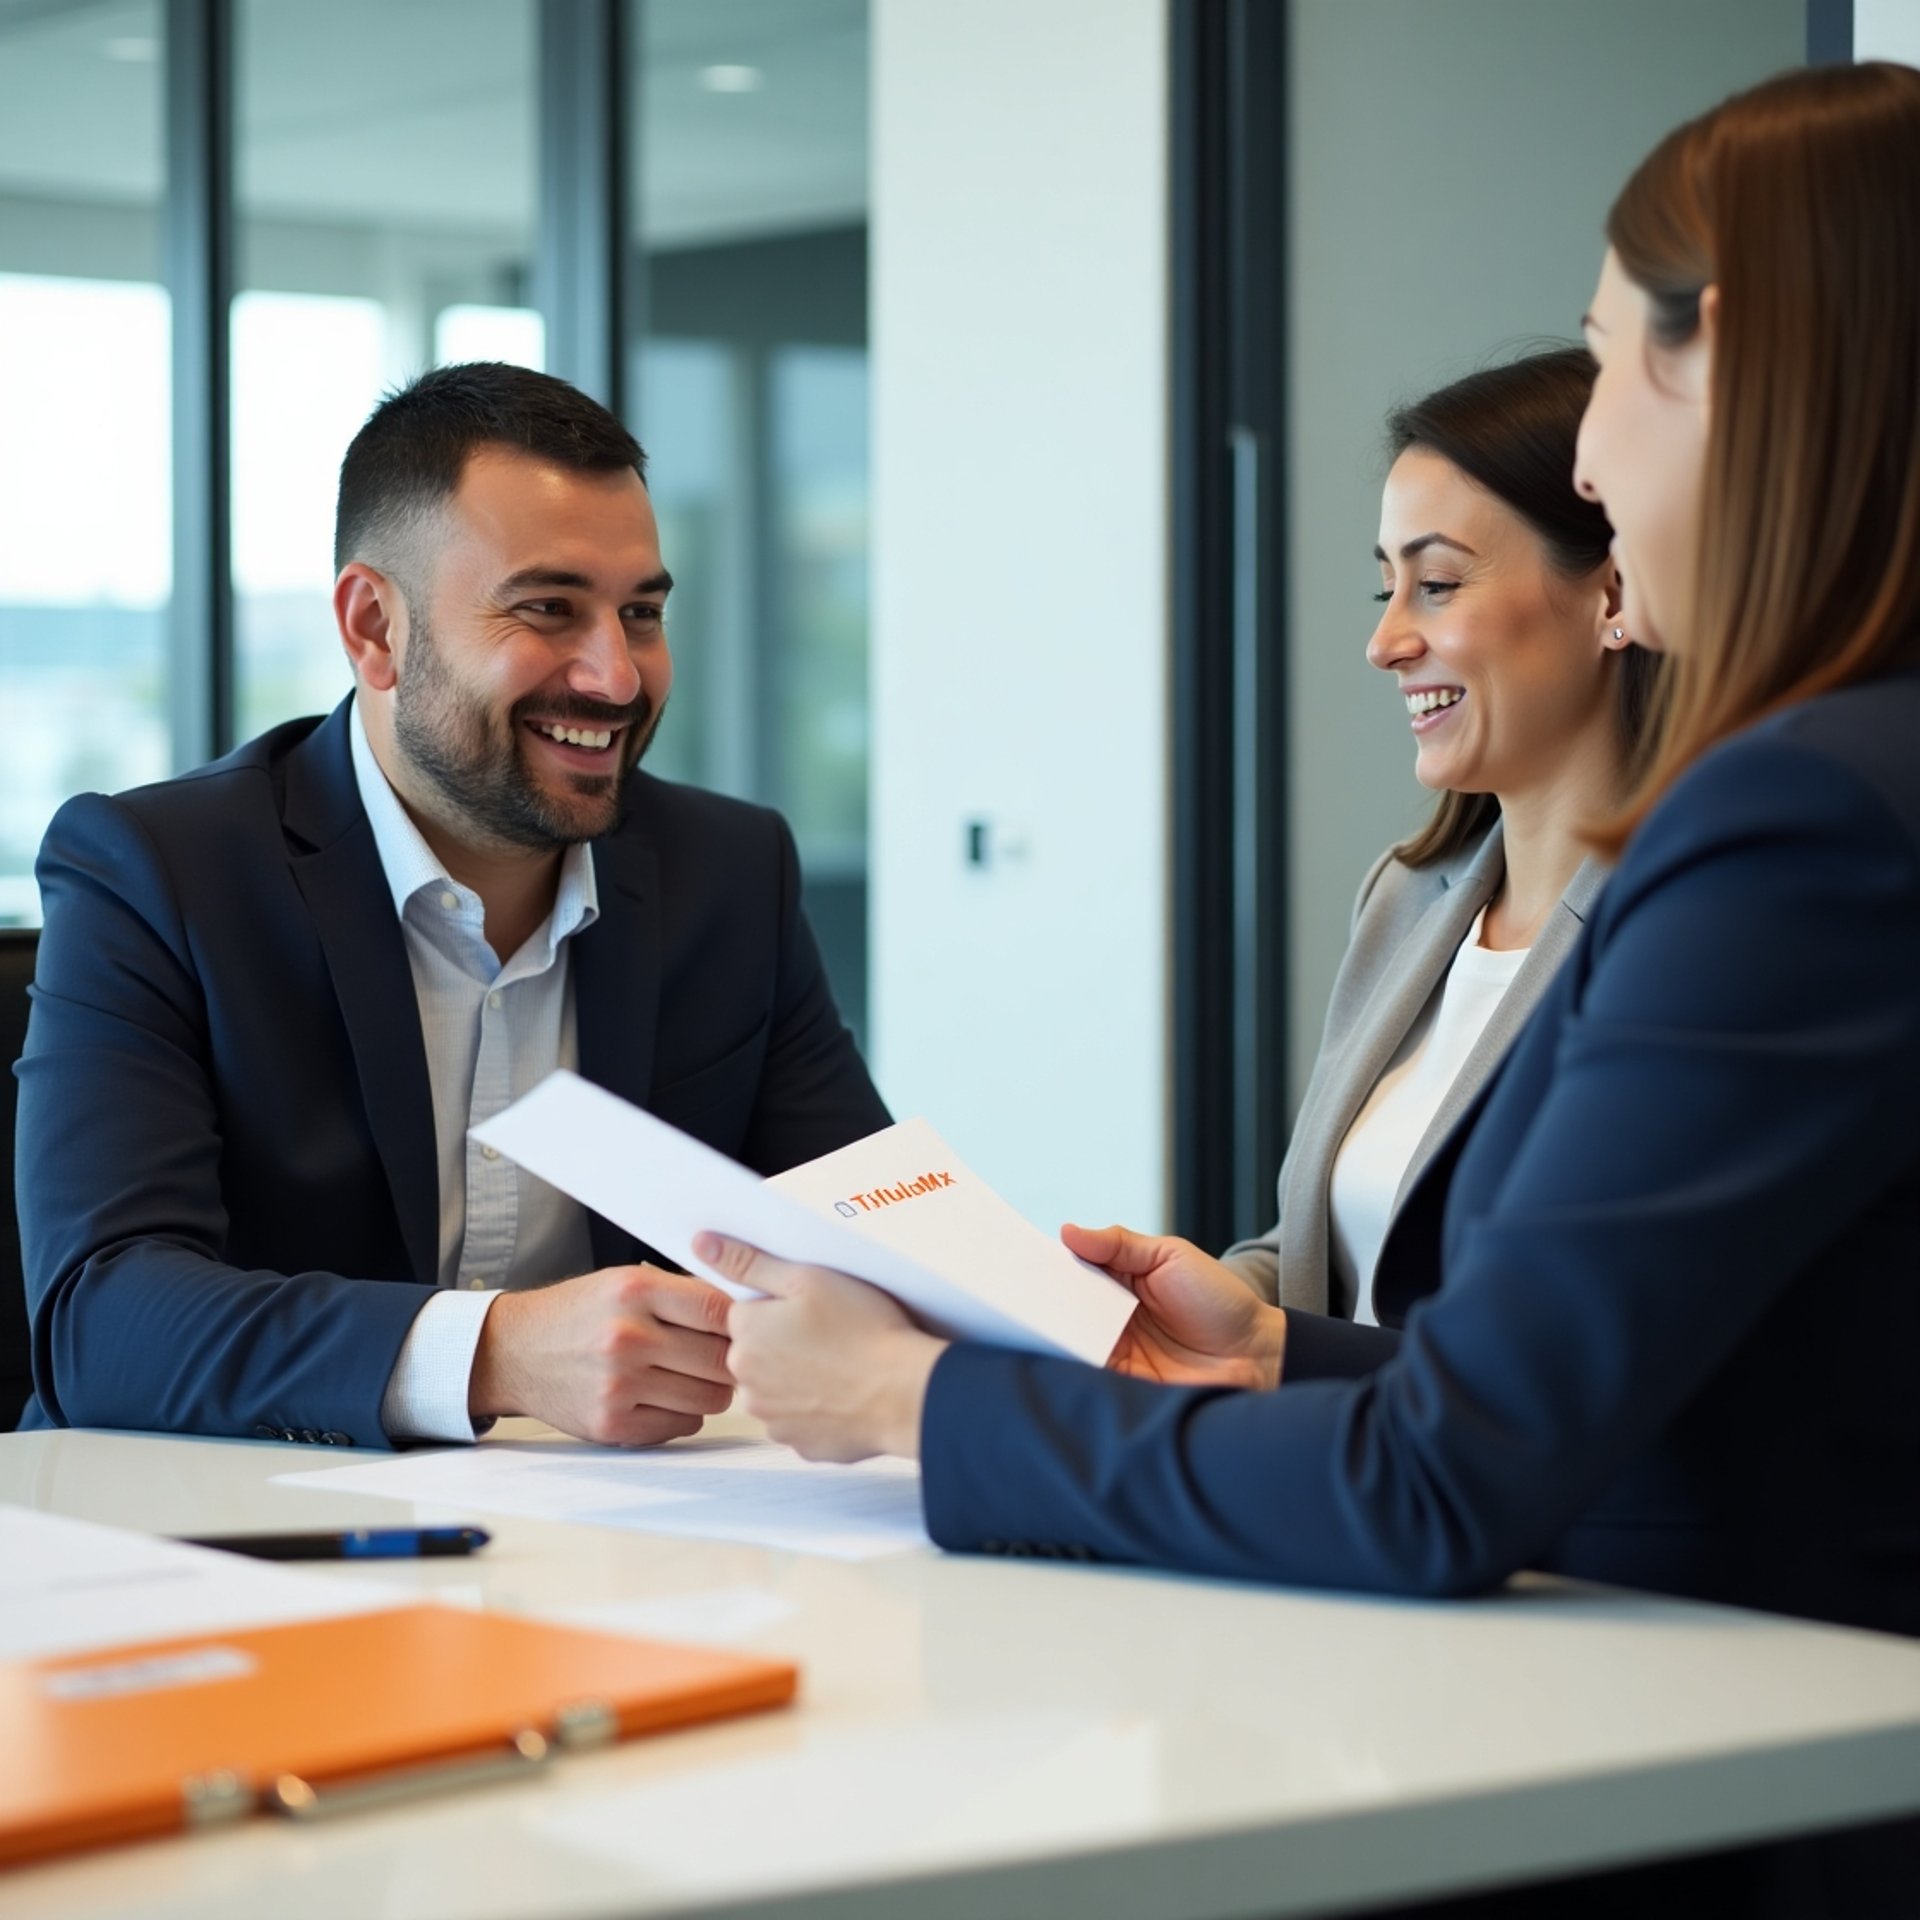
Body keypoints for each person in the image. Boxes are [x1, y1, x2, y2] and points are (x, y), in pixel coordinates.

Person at [710, 61, 1920, 1909]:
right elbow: (1702, 1385)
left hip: (1730, 1803)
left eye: (1606, 365)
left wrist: (910, 1405)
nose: (1592, 452)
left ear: (1726, 359)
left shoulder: (1794, 823)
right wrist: (1278, 1347)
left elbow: (1443, 1486)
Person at [16, 362, 889, 1450]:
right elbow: (102, 1321)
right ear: (374, 626)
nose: (616, 676)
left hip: (611, 1539)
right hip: (222, 1529)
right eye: (548, 609)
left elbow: (859, 1235)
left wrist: (1065, 1328)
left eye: (641, 613)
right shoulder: (157, 870)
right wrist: (499, 1352)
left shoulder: (731, 870)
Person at [1223, 347, 1657, 1319]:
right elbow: (1321, 1256)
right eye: (1389, 590)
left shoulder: (1678, 930)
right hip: (1335, 1460)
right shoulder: (1406, 899)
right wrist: (1186, 1295)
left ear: (1616, 597)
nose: (1386, 643)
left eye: (1439, 584)